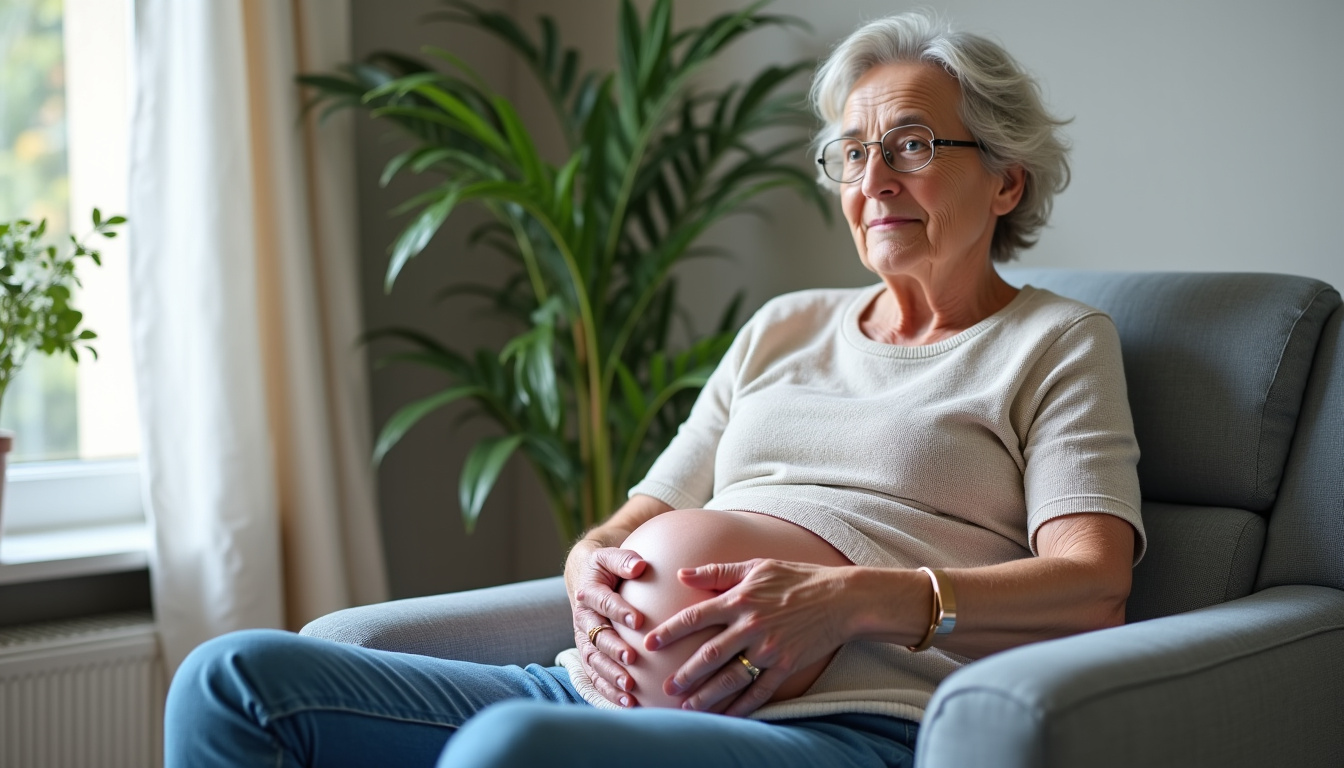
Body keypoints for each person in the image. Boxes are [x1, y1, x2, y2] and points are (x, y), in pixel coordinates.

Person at [164, 11, 1144, 768]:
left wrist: (851, 603)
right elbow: (631, 521)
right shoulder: (785, 326)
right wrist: (587, 566)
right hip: (597, 692)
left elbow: (1095, 585)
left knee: (506, 753)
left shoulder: (1053, 343)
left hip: (840, 726)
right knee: (228, 680)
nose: (875, 178)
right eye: (852, 153)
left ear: (1006, 183)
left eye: (915, 144)